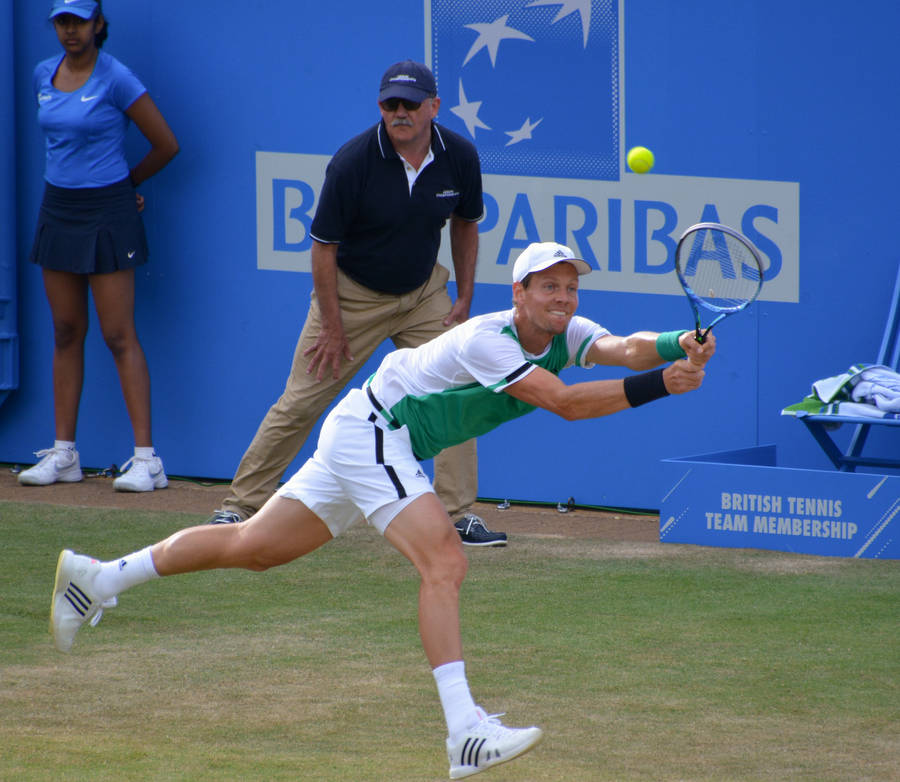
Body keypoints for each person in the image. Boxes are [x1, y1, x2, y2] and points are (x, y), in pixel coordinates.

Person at [50, 241, 716, 779]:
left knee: (251, 547)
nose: (562, 297)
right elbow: (567, 405)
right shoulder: (491, 340)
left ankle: (98, 579)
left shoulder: (568, 331)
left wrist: (671, 348)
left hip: (364, 432)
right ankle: (465, 732)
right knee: (445, 561)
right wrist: (662, 385)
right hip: (375, 430)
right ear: (519, 294)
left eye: (570, 287)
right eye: (548, 286)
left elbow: (623, 346)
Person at [207, 60, 507, 546]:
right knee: (301, 401)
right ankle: (239, 507)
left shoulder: (460, 157)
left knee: (458, 389)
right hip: (351, 297)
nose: (400, 112)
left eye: (411, 103)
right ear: (380, 108)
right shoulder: (354, 161)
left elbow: (466, 223)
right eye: (391, 104)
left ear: (434, 106)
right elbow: (323, 246)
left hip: (423, 293)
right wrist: (331, 324)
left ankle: (455, 515)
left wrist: (465, 294)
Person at [18, 0, 179, 492]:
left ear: (98, 24)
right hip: (58, 210)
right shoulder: (43, 74)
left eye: (79, 20)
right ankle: (64, 455)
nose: (70, 30)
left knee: (117, 334)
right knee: (66, 331)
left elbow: (166, 144)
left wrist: (125, 186)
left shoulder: (118, 78)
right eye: (62, 21)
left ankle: (147, 461)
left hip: (107, 213)